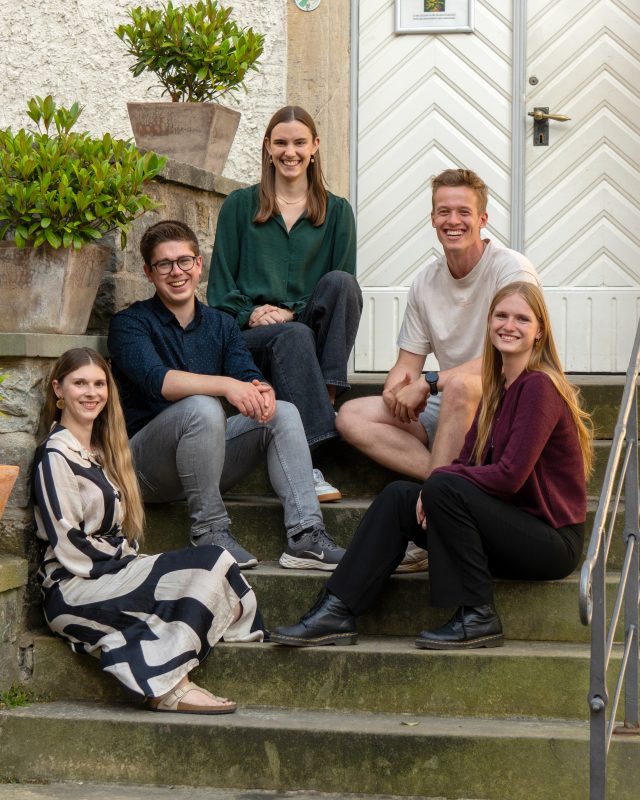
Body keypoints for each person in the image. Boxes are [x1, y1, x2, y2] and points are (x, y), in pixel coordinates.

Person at [270, 282, 593, 649]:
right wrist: (436, 488)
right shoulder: (498, 387)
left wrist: (439, 484)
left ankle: (478, 615)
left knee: (441, 486)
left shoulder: (538, 387)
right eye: (501, 316)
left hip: (549, 541)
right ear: (489, 324)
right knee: (398, 499)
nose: (509, 325)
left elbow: (509, 476)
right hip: (506, 527)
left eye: (522, 319)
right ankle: (336, 611)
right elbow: (467, 460)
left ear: (539, 333)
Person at [33, 348, 265, 714]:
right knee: (194, 573)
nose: (91, 392)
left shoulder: (102, 451)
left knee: (217, 560)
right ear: (58, 390)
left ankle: (162, 648)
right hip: (74, 587)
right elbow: (71, 546)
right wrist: (130, 564)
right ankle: (168, 685)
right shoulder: (54, 455)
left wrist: (131, 562)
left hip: (112, 573)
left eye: (99, 384)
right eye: (80, 383)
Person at [108, 220, 344, 572]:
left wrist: (258, 389)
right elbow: (158, 381)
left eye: (184, 261)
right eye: (164, 264)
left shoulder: (221, 324)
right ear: (149, 272)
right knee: (203, 407)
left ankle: (306, 535)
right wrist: (225, 386)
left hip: (203, 461)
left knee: (282, 411)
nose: (177, 272)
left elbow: (244, 372)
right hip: (144, 468)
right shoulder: (130, 323)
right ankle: (210, 532)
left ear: (199, 265)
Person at [336, 168, 539, 572]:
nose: (453, 221)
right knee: (351, 415)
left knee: (462, 385)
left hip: (505, 402)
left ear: (483, 219)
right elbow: (406, 364)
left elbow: (505, 359)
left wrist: (429, 382)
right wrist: (396, 392)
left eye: (464, 212)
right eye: (443, 211)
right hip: (452, 407)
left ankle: (435, 515)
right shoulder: (426, 281)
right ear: (432, 219)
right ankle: (447, 479)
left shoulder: (511, 270)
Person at [208, 105, 363, 503]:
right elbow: (220, 290)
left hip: (304, 331)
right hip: (252, 339)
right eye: (280, 143)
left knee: (342, 285)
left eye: (298, 142)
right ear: (267, 147)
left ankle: (324, 394)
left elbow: (336, 287)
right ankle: (308, 457)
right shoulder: (240, 206)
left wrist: (292, 310)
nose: (289, 152)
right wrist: (252, 312)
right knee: (292, 334)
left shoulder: (338, 211)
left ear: (314, 146)